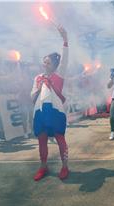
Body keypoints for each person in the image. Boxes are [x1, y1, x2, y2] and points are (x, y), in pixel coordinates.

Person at [31, 25, 69, 181]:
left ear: (54, 64)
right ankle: (43, 166)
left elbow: (65, 57)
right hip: (40, 112)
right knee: (42, 139)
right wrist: (38, 89)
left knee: (60, 138)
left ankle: (65, 166)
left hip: (55, 113)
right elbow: (32, 97)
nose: (44, 65)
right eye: (43, 62)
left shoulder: (59, 75)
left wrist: (65, 39)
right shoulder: (38, 77)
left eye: (47, 63)